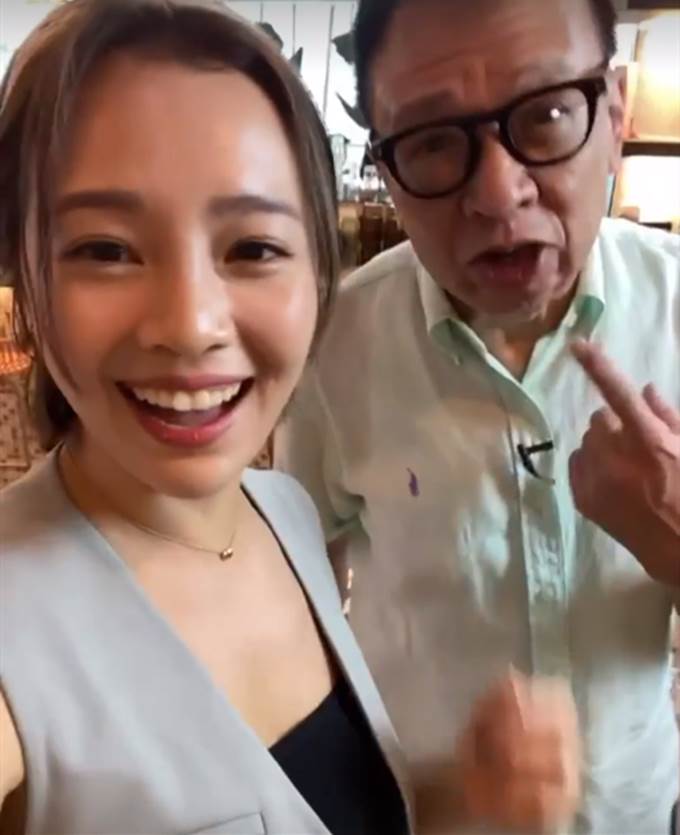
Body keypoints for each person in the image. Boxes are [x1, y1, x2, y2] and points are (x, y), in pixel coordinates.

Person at [0, 2, 585, 834]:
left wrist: (472, 796)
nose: (191, 324)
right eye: (106, 249)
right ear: (24, 271)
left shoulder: (284, 512)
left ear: (318, 274)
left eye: (253, 249)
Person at [275, 0, 680, 833]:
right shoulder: (334, 347)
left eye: (547, 115)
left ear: (615, 110)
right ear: (387, 167)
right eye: (432, 142)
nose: (498, 193)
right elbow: (294, 617)